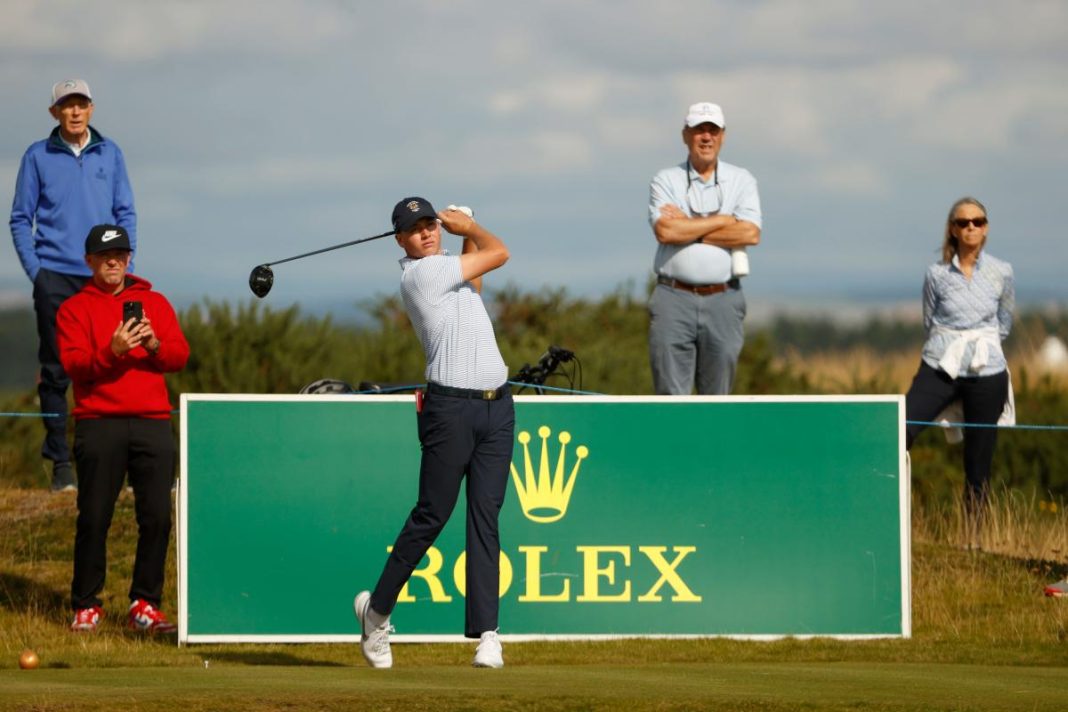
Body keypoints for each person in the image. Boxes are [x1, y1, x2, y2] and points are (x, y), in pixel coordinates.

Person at [353, 198, 514, 669]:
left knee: (486, 517)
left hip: (497, 407)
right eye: (416, 229)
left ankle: (488, 635)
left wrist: (463, 233)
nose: (426, 233)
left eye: (431, 224)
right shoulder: (421, 275)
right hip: (451, 410)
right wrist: (473, 225)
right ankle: (376, 613)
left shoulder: (450, 269)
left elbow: (478, 281)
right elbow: (500, 251)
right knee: (432, 515)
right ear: (400, 241)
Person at [57, 224, 188, 633]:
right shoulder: (73, 309)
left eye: (120, 255)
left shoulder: (155, 303)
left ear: (129, 259)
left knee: (157, 517)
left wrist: (152, 345)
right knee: (95, 516)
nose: (114, 262)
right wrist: (111, 352)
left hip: (151, 420)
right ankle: (86, 605)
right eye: (104, 256)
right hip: (99, 423)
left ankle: (145, 605)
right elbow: (75, 366)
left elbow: (179, 356)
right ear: (90, 261)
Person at [10, 79, 137, 492]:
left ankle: (110, 467)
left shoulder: (110, 152)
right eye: (66, 106)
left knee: (113, 365)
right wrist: (38, 273)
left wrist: (123, 262)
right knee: (56, 372)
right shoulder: (37, 155)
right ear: (55, 114)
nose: (75, 112)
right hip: (55, 278)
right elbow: (19, 218)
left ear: (91, 109)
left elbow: (125, 212)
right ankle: (61, 467)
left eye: (81, 104)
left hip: (103, 275)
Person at [905, 197, 1014, 545]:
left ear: (986, 228)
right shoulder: (936, 273)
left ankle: (973, 540)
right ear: (953, 229)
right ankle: (893, 517)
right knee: (902, 427)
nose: (971, 227)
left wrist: (981, 347)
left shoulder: (1002, 271)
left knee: (979, 460)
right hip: (941, 364)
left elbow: (1004, 322)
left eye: (978, 221)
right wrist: (950, 346)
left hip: (987, 370)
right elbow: (929, 319)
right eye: (964, 222)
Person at [647, 101, 761, 395]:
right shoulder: (666, 179)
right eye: (699, 130)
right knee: (670, 397)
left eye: (713, 130)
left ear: (723, 136)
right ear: (686, 134)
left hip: (724, 297)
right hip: (673, 296)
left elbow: (749, 233)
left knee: (718, 397)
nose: (706, 137)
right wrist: (723, 220)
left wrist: (689, 226)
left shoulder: (742, 179)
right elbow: (666, 231)